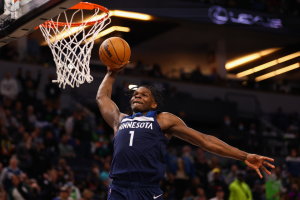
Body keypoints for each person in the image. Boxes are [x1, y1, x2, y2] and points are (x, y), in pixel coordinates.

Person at [96, 63, 275, 200]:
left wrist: (244, 156)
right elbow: (102, 97)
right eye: (135, 94)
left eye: (144, 94)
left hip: (147, 189)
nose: (137, 95)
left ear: (154, 104)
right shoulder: (120, 120)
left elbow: (205, 140)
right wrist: (112, 72)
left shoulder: (162, 119)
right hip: (119, 188)